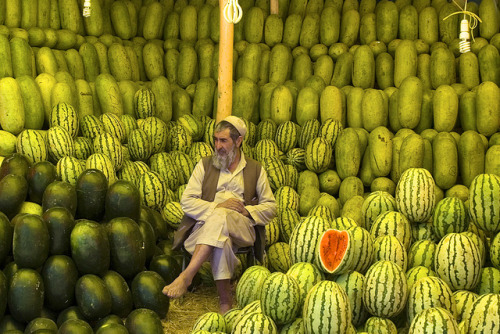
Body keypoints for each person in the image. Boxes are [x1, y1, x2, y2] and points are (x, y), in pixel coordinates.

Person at [162, 115, 277, 314]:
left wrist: (246, 210)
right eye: (215, 140)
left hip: (242, 230)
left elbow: (271, 207)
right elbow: (186, 201)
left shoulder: (256, 169)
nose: (217, 145)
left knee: (222, 216)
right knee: (220, 232)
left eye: (223, 140)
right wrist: (218, 206)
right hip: (204, 230)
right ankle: (225, 302)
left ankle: (188, 275)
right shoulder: (204, 165)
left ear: (238, 141)